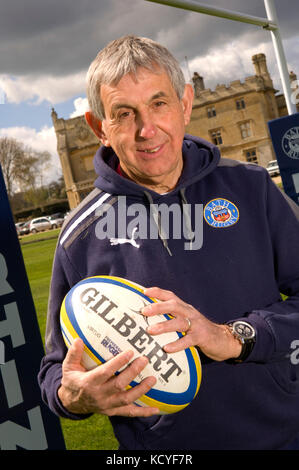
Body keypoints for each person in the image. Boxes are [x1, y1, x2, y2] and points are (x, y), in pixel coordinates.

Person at [38, 35, 299, 450]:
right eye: (124, 114)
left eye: (159, 103)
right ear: (99, 127)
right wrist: (76, 395)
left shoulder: (251, 188)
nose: (146, 129)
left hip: (282, 435)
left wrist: (234, 337)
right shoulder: (80, 237)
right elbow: (56, 371)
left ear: (185, 104)